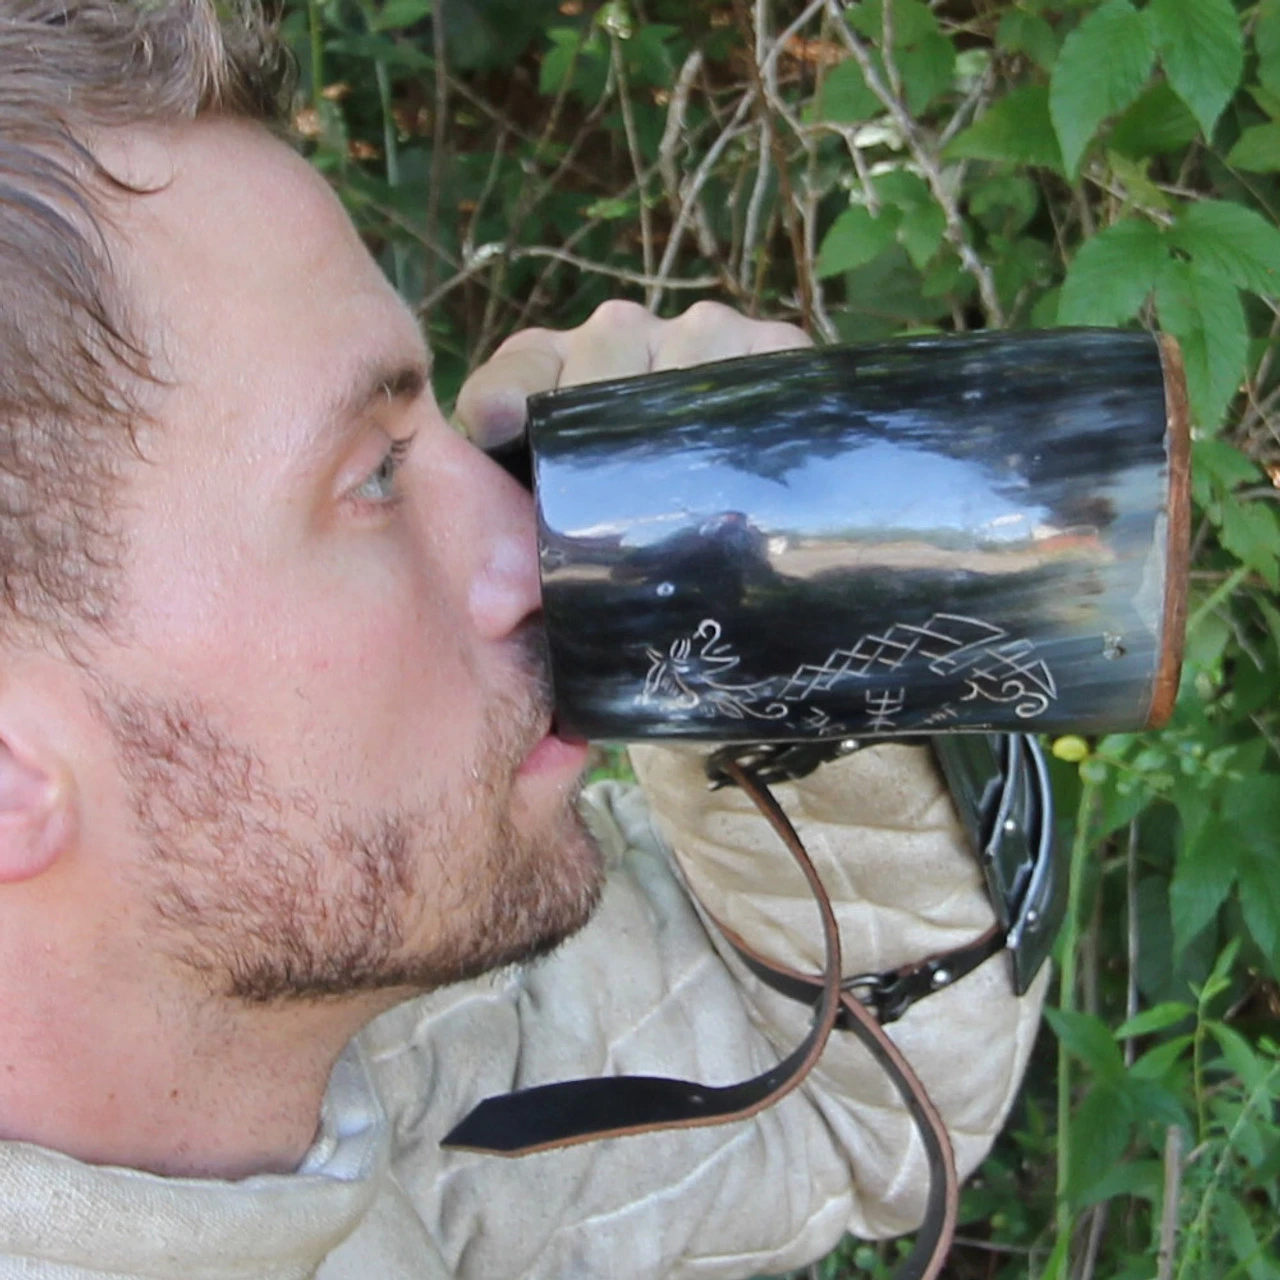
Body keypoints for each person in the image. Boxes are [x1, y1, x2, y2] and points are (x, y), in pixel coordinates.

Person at [0, 2, 1046, 1276]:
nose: (527, 540)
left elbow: (850, 1105)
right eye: (375, 475)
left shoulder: (343, 1069)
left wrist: (781, 610)